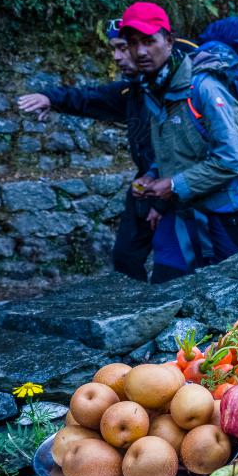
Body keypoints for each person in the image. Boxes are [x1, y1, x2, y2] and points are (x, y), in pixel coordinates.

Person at [119, 2, 238, 283]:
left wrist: (173, 185)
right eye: (133, 43)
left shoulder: (204, 88)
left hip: (228, 215)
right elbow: (171, 152)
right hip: (187, 214)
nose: (141, 51)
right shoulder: (155, 91)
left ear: (169, 41)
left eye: (149, 41)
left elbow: (232, 158)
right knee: (173, 289)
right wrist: (152, 177)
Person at [17, 20, 164, 282]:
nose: (117, 57)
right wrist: (51, 98)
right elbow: (90, 97)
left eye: (122, 47)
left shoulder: (172, 90)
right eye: (114, 49)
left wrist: (164, 201)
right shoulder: (133, 90)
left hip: (173, 188)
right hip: (145, 187)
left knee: (172, 267)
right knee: (125, 258)